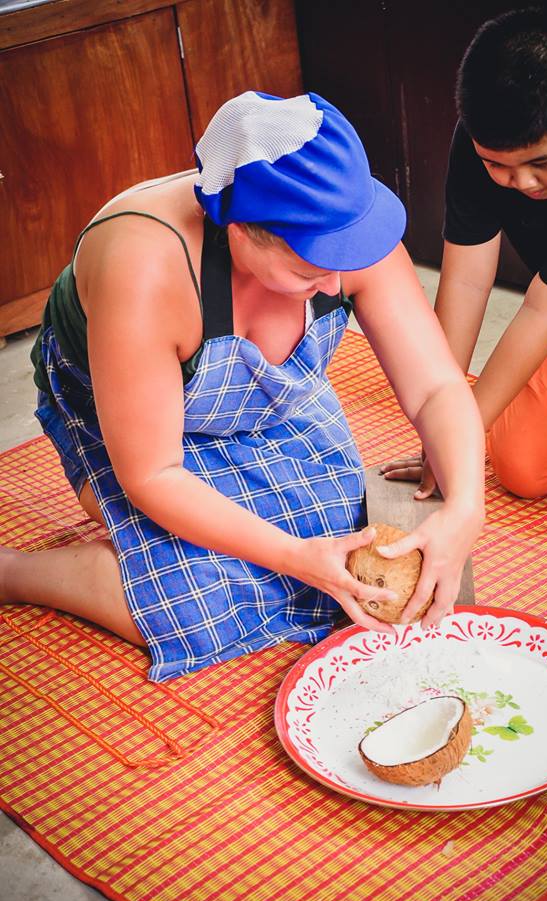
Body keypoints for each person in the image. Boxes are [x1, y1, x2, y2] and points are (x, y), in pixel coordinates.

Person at [0, 91, 484, 682]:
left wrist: (465, 507)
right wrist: (294, 557)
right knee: (195, 604)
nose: (340, 279)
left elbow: (436, 387)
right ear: (240, 229)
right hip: (130, 420)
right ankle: (16, 572)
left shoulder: (343, 229)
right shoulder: (147, 264)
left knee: (362, 553)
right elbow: (153, 474)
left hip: (268, 404)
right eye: (311, 269)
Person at [381, 8, 547, 504]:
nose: (520, 183)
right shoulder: (482, 142)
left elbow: (545, 308)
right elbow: (465, 283)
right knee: (520, 469)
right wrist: (444, 424)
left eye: (542, 162)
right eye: (497, 165)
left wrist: (460, 438)